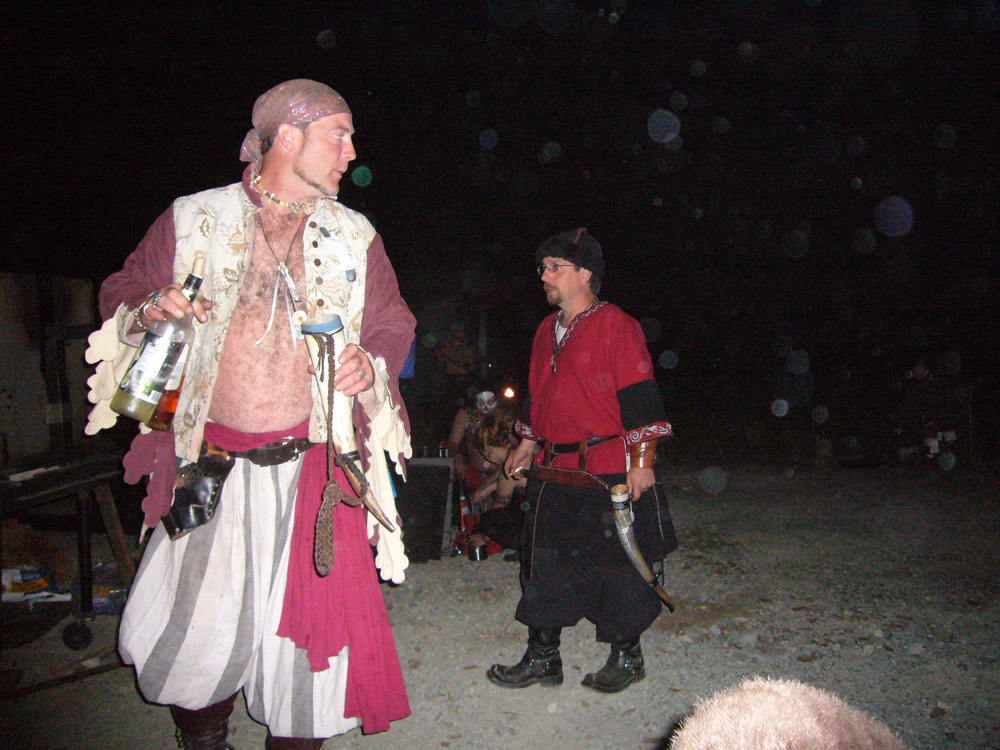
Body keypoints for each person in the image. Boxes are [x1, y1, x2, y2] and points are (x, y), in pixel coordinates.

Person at [87, 79, 415, 749]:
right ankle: (205, 740)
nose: (351, 152)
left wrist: (369, 362)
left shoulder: (355, 235)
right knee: (197, 634)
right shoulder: (193, 218)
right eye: (339, 135)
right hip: (212, 466)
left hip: (317, 472)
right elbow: (122, 289)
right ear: (287, 137)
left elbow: (392, 322)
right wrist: (150, 308)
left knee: (311, 653)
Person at [488, 228, 676, 694]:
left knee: (617, 566)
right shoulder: (544, 330)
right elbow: (538, 394)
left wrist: (642, 460)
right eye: (543, 268)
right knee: (542, 564)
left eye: (556, 267)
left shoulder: (616, 325)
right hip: (553, 469)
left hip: (606, 467)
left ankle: (627, 657)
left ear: (586, 273)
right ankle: (543, 657)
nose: (544, 276)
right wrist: (525, 444)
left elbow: (639, 394)